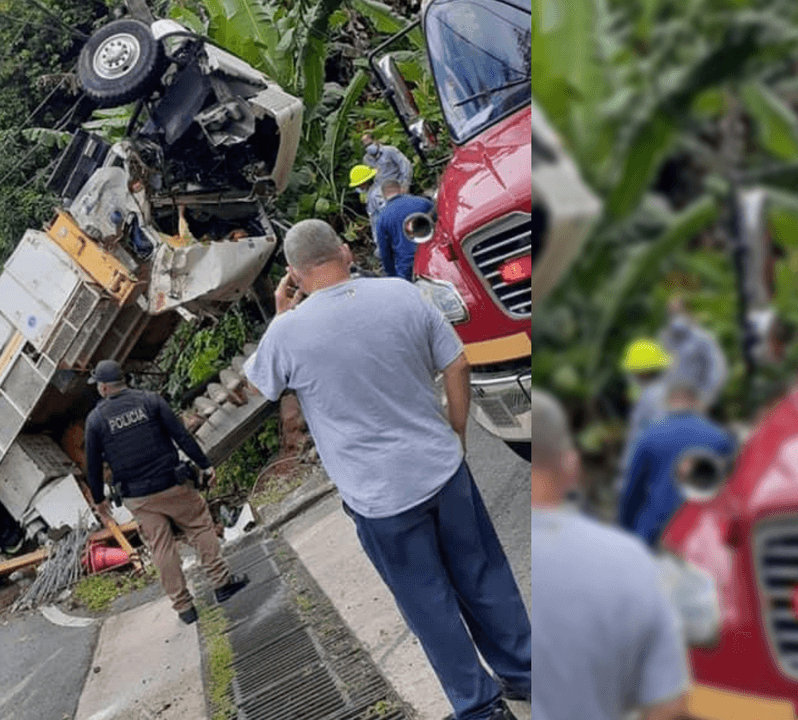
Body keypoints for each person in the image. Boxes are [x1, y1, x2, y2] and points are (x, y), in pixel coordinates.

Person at [243, 219, 528, 720]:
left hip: (380, 501)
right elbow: (457, 364)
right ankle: (527, 671)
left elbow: (259, 388)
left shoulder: (287, 333)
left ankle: (482, 709)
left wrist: (280, 315)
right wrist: (456, 433)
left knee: (428, 605)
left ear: (293, 273)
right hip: (443, 470)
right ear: (345, 252)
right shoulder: (399, 294)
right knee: (484, 577)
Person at [531, 390, 690, 720]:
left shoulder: (649, 436)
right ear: (570, 465)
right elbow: (667, 706)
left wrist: (626, 523)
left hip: (648, 529)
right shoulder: (626, 562)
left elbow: (631, 488)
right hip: (671, 540)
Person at [83, 359, 248, 625]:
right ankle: (222, 583)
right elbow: (181, 436)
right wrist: (205, 465)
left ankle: (184, 608)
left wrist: (100, 501)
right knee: (199, 526)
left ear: (103, 388)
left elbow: (92, 465)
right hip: (172, 484)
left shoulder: (96, 420)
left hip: (138, 497)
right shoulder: (150, 400)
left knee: (161, 546)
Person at [616, 380, 734, 547]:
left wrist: (625, 530)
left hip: (652, 530)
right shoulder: (721, 438)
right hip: (697, 534)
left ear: (668, 401)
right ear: (698, 402)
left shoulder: (649, 434)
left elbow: (633, 490)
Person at [615, 338, 673, 492]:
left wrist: (626, 473)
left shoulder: (650, 397)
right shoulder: (667, 393)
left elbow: (641, 437)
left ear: (643, 372)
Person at [659, 296, 728, 410]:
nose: (675, 317)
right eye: (672, 313)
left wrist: (705, 398)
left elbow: (718, 369)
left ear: (687, 312)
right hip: (668, 405)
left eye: (679, 312)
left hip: (695, 403)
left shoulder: (703, 338)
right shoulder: (665, 339)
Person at [373, 180, 433, 280]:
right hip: (430, 256)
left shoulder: (381, 216)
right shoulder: (423, 202)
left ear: (383, 195)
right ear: (401, 189)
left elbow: (384, 250)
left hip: (405, 265)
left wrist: (391, 274)